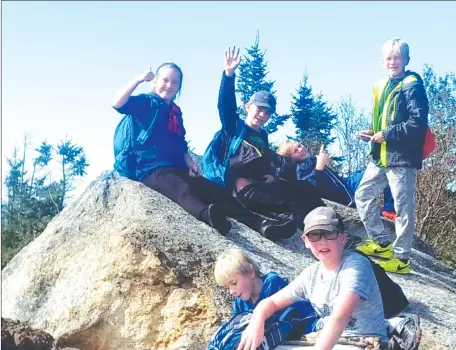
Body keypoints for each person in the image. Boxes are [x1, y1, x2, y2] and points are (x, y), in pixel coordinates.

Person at [208, 207, 421, 350]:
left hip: (362, 349)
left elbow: (340, 318)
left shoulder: (356, 266)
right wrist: (257, 321)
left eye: (328, 233)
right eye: (314, 235)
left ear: (343, 236)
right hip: (322, 344)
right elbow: (270, 303)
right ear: (305, 241)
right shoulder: (311, 274)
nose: (321, 241)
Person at [112, 63, 278, 238]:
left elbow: (180, 142)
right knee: (182, 189)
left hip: (175, 167)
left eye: (174, 82)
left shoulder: (175, 112)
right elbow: (117, 103)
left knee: (216, 192)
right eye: (165, 80)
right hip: (148, 169)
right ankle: (208, 216)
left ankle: (261, 224)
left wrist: (189, 161)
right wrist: (138, 79)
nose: (169, 85)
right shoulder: (146, 103)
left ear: (179, 88)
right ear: (155, 82)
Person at [202, 47, 325, 232]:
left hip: (259, 189)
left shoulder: (262, 136)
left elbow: (268, 162)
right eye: (259, 109)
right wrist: (229, 75)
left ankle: (329, 227)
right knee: (295, 200)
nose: (262, 115)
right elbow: (225, 106)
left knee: (304, 190)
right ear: (248, 107)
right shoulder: (234, 128)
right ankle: (301, 230)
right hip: (244, 193)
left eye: (267, 112)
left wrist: (270, 174)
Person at [354, 39, 429, 274]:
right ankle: (381, 243)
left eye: (397, 57)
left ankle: (402, 259)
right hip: (381, 155)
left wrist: (385, 134)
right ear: (382, 61)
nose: (392, 62)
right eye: (388, 58)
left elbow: (417, 123)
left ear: (406, 60)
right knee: (363, 194)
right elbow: (387, 118)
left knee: (403, 208)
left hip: (401, 157)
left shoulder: (412, 85)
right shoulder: (383, 85)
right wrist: (373, 131)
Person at [275, 140, 396, 219]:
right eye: (295, 151)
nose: (301, 149)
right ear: (291, 158)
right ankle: (389, 210)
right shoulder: (300, 169)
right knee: (384, 171)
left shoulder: (311, 160)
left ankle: (389, 209)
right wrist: (319, 167)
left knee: (381, 168)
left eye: (299, 145)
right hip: (345, 195)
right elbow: (310, 187)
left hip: (346, 183)